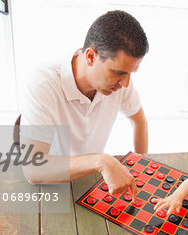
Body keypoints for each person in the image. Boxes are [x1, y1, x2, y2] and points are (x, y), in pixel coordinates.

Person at [19, 10, 149, 198]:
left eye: (131, 73)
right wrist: (102, 161)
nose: (126, 83)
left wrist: (141, 168)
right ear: (90, 56)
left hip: (90, 184)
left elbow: (139, 122)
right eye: (119, 72)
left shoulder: (120, 82)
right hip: (50, 189)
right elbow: (33, 169)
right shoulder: (42, 84)